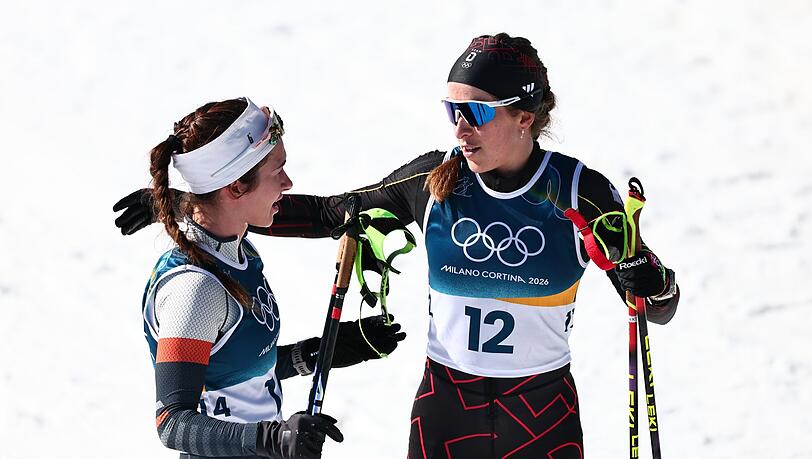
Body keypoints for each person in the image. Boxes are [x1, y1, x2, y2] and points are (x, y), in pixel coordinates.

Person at [115, 35, 680, 458]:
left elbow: (658, 304)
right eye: (452, 111)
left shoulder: (579, 191)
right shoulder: (434, 180)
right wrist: (185, 199)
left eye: (477, 113)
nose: (461, 128)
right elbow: (321, 213)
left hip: (539, 408)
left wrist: (646, 277)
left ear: (524, 116)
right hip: (446, 404)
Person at [123, 97, 406, 459]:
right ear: (236, 187)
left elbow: (244, 376)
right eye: (278, 171)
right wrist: (274, 439)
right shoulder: (194, 289)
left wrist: (323, 352)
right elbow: (173, 422)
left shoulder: (242, 254)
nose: (288, 183)